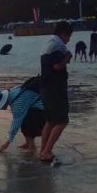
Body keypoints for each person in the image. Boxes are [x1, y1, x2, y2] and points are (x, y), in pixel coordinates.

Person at [39, 21, 72, 165]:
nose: (69, 39)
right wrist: (67, 57)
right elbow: (57, 66)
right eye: (68, 36)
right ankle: (46, 152)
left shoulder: (48, 43)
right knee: (63, 121)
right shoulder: (57, 46)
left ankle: (43, 150)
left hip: (45, 88)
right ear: (63, 33)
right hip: (55, 89)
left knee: (50, 121)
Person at [0, 82, 45, 153]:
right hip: (39, 104)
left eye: (0, 107)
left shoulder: (17, 103)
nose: (1, 109)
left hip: (44, 110)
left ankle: (32, 147)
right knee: (24, 117)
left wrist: (7, 143)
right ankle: (27, 143)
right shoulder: (13, 91)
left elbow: (15, 124)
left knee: (27, 119)